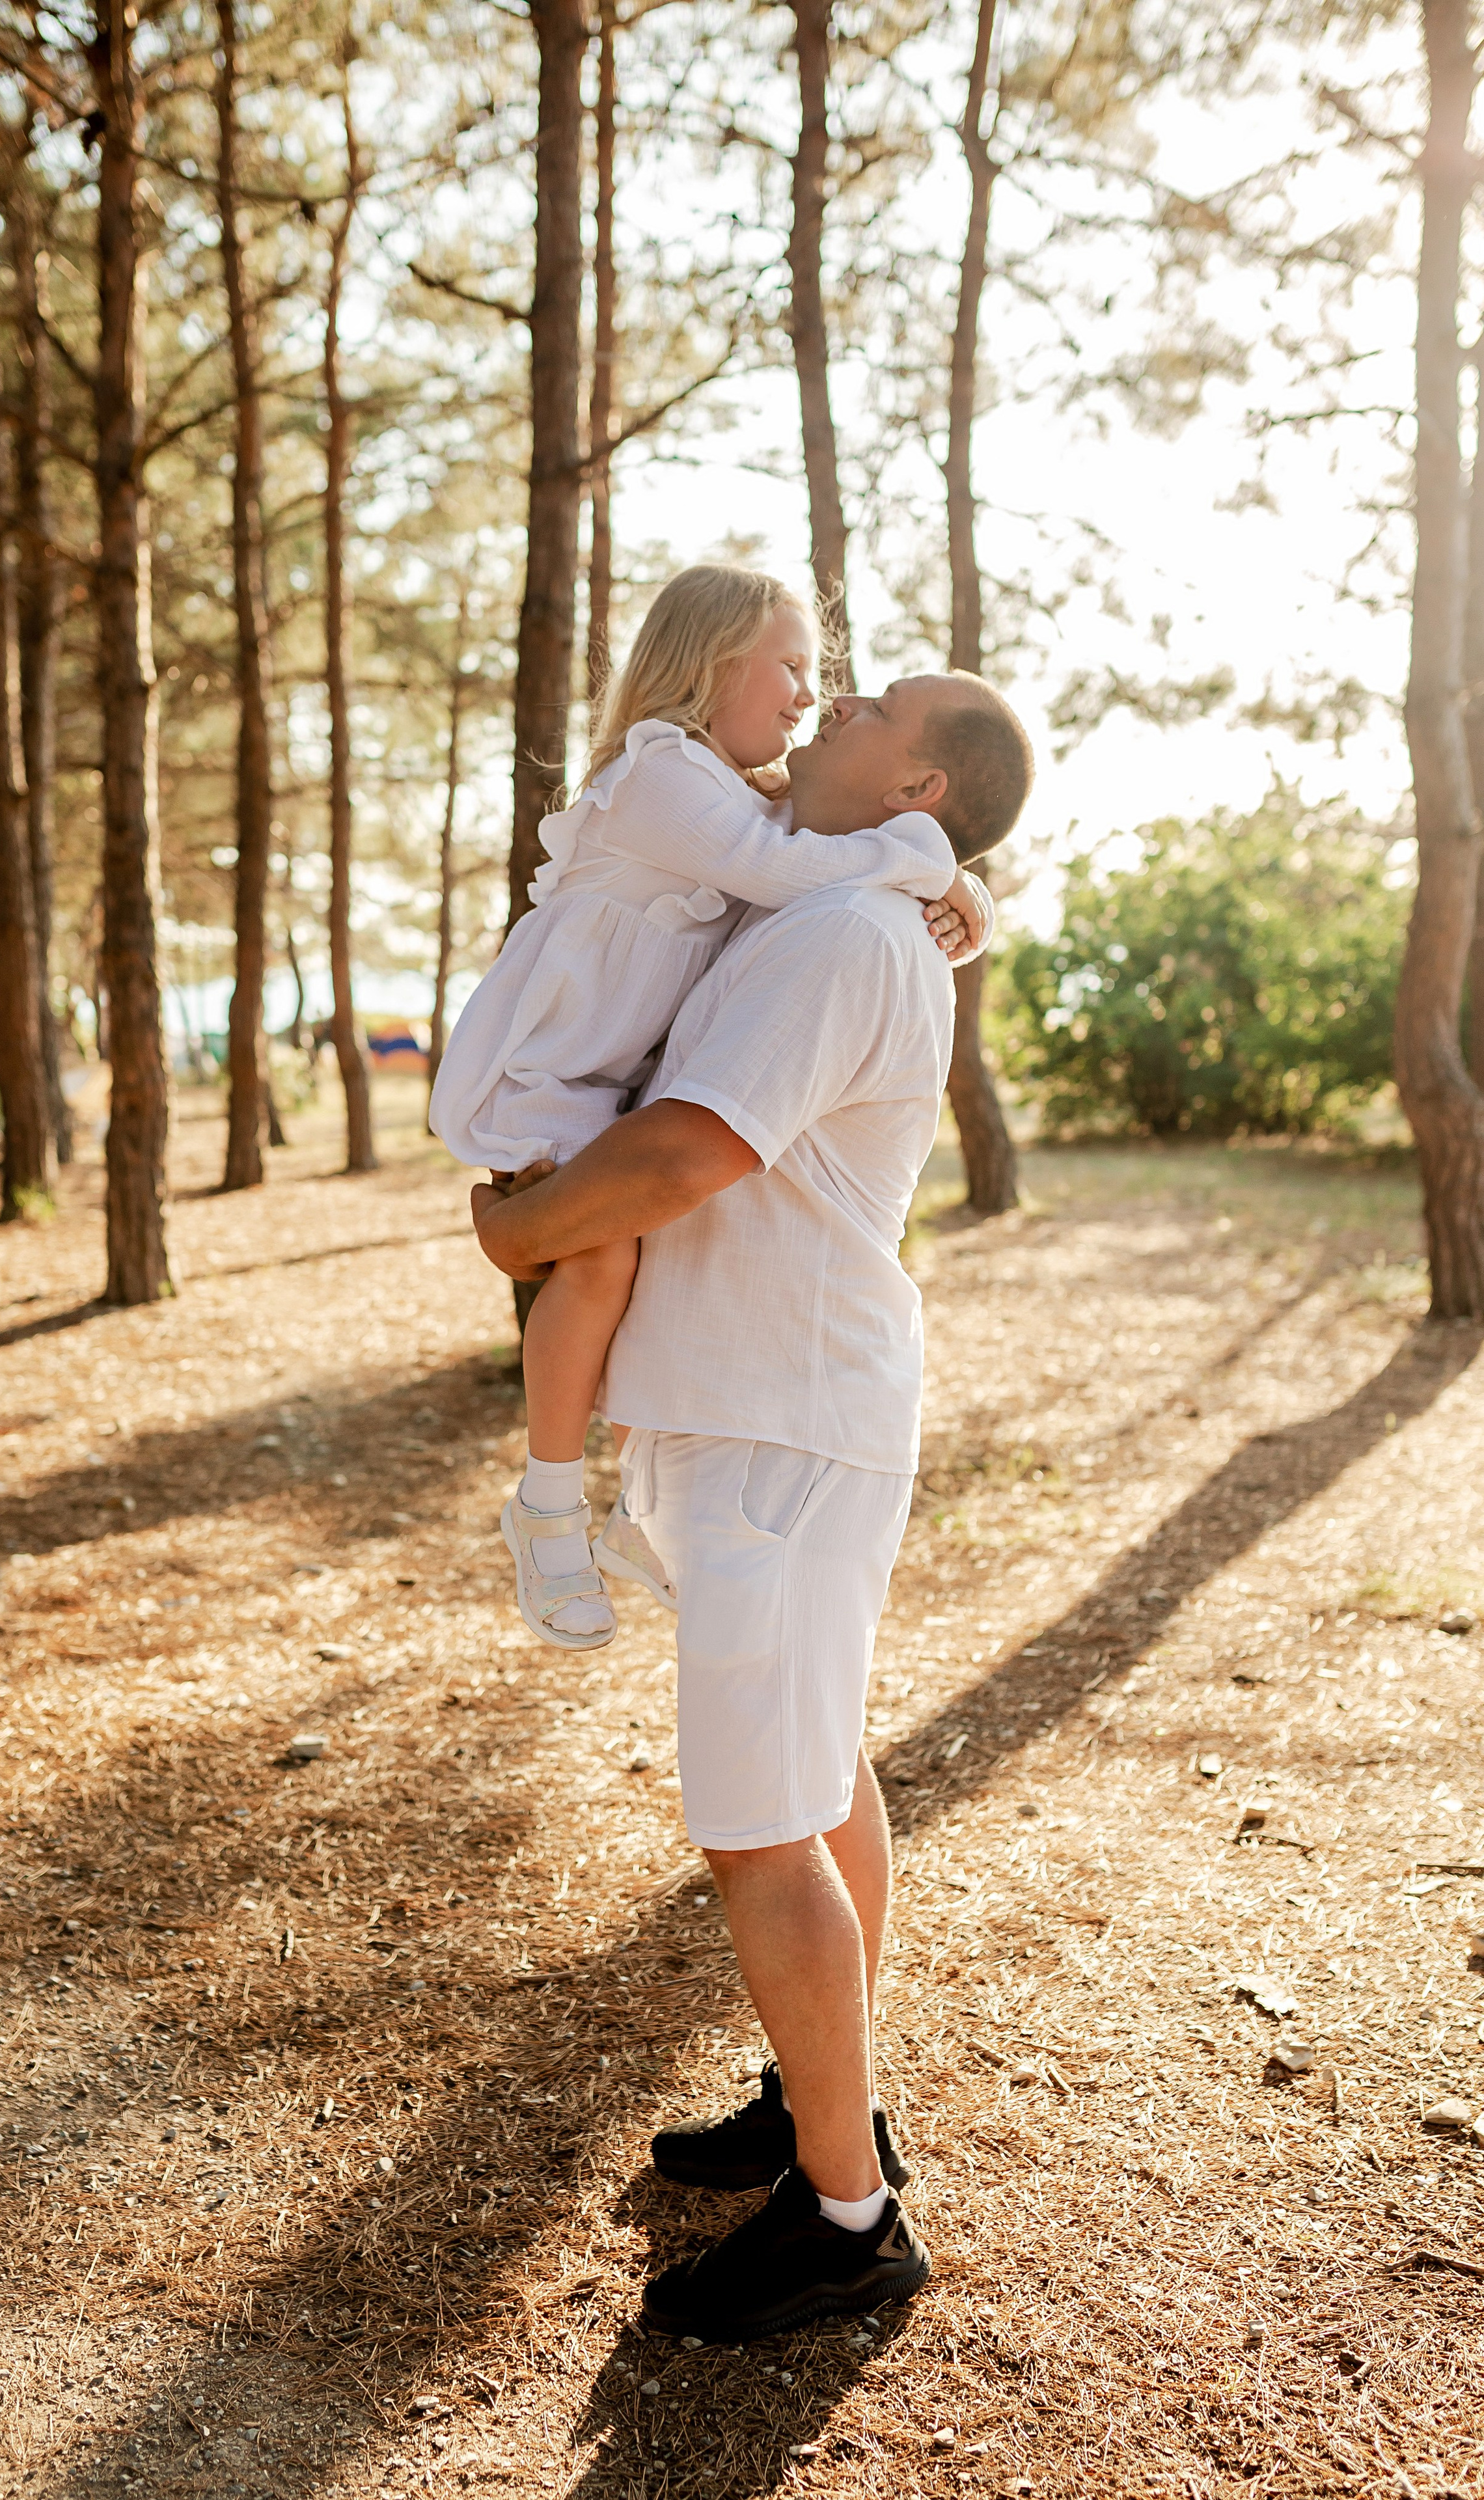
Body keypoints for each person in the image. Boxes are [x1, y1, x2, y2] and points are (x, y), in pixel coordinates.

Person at [472, 667, 1035, 2343]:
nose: (835, 697)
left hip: (782, 1414)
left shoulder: (845, 939)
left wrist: (517, 1236)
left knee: (752, 1820)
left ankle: (847, 2220)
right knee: (814, 1765)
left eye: (870, 703)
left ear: (915, 781)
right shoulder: (847, 912)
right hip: (767, 1402)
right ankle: (823, 2102)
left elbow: (687, 1152)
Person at [432, 564, 991, 1653]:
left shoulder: (742, 790)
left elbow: (841, 832)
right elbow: (790, 870)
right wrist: (931, 866)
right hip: (549, 1069)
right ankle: (546, 1505)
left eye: (816, 673)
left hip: (611, 1077)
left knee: (657, 1263)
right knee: (598, 1262)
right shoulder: (661, 776)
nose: (807, 695)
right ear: (706, 665)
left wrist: (961, 879)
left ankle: (638, 1516)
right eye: (788, 665)